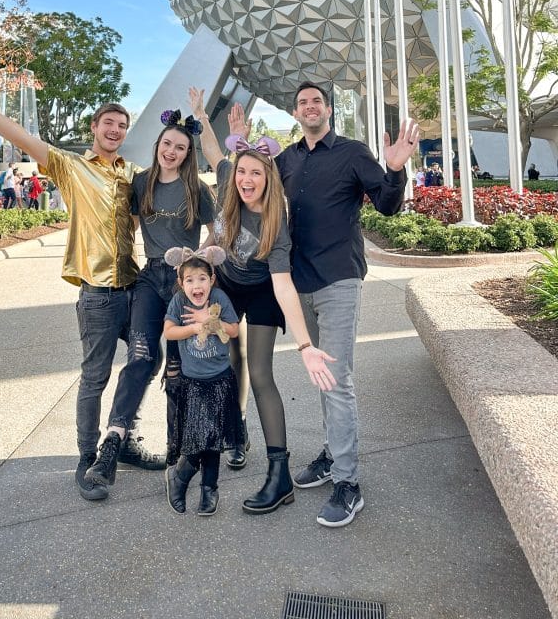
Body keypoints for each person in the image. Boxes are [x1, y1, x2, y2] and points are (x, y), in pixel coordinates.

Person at [0, 63, 157, 502]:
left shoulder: (132, 174)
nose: (115, 130)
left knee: (146, 360)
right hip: (98, 295)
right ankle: (87, 457)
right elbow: (21, 138)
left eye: (122, 125)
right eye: (108, 124)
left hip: (134, 289)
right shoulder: (71, 167)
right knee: (96, 376)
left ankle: (122, 439)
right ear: (94, 127)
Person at [270, 81, 418, 528]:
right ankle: (333, 452)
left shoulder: (353, 152)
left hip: (339, 279)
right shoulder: (286, 160)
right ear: (295, 113)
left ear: (329, 110)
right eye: (303, 102)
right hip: (300, 283)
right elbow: (255, 197)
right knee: (321, 376)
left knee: (336, 378)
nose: (310, 107)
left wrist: (394, 171)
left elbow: (388, 207)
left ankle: (348, 482)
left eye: (317, 101)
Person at [190, 87, 336, 516]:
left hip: (265, 291)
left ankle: (279, 476)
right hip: (230, 286)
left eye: (256, 174)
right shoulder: (225, 191)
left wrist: (306, 345)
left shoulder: (275, 222)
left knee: (260, 374)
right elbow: (215, 149)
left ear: (268, 178)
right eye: (242, 173)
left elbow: (285, 286)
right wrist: (201, 114)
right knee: (226, 361)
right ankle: (236, 436)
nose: (247, 180)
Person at [83, 109, 215, 494]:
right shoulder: (141, 183)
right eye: (168, 144)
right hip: (148, 280)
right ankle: (113, 443)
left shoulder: (197, 190)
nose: (171, 152)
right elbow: (125, 226)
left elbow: (219, 229)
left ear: (189, 154)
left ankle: (184, 449)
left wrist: (197, 263)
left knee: (183, 365)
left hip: (183, 285)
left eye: (181, 148)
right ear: (159, 145)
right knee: (140, 358)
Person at [163, 246, 240, 516]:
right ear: (181, 283)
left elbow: (233, 330)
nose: (197, 285)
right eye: (190, 280)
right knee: (200, 437)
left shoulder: (219, 298)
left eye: (202, 279)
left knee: (214, 437)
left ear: (212, 279)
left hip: (220, 380)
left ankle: (209, 488)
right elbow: (169, 332)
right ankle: (181, 475)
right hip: (192, 383)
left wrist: (211, 320)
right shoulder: (178, 302)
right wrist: (195, 328)